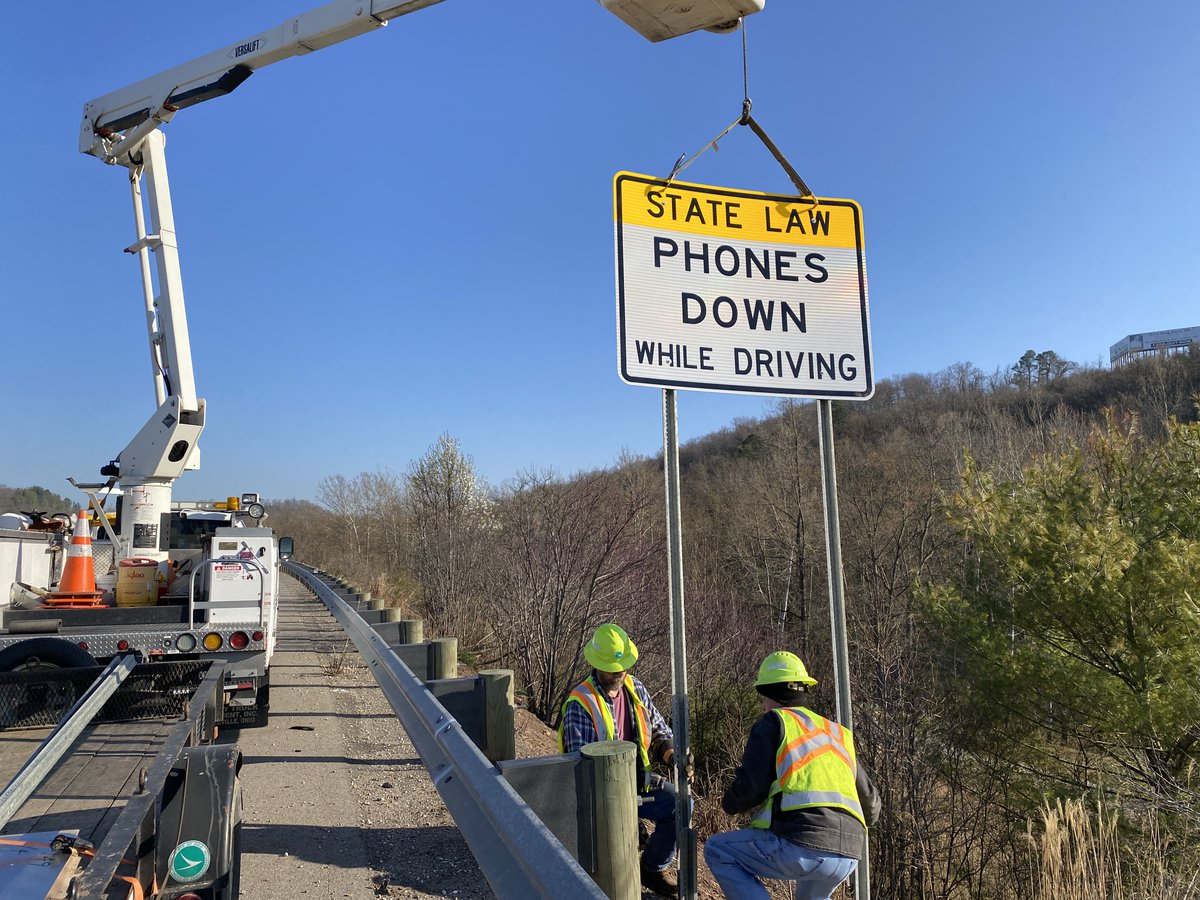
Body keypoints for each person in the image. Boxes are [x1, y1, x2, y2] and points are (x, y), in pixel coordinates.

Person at [704, 651, 881, 900]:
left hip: (803, 844)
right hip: (849, 854)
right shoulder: (837, 733)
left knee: (718, 850)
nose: (763, 705)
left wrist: (730, 803)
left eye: (763, 699)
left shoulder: (774, 722)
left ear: (768, 694)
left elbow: (752, 787)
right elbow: (871, 806)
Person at [558, 623, 682, 898]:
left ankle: (652, 869)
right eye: (613, 669)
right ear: (596, 665)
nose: (619, 672)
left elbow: (659, 727)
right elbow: (582, 768)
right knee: (615, 858)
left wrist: (671, 752)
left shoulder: (634, 687)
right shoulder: (581, 703)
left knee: (681, 804)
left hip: (639, 784)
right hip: (601, 795)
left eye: (623, 666)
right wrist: (624, 812)